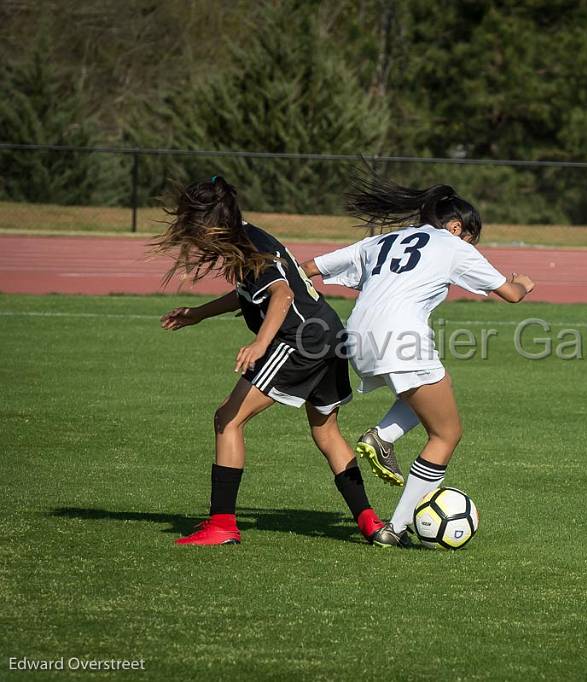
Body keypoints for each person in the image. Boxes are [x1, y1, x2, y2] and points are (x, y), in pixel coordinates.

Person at [302, 168, 535, 546]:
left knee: (433, 392)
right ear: (457, 228)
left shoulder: (383, 241)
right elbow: (510, 292)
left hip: (355, 339)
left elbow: (309, 268)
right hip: (401, 338)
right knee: (446, 433)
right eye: (472, 239)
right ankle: (395, 527)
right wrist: (525, 282)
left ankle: (384, 436)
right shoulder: (453, 245)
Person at [154, 176, 386, 545]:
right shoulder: (248, 238)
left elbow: (281, 294)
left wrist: (261, 344)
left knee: (227, 418)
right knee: (326, 432)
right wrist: (200, 313)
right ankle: (371, 523)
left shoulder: (248, 247)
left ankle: (223, 524)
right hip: (328, 333)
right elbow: (249, 293)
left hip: (300, 339)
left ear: (209, 222)